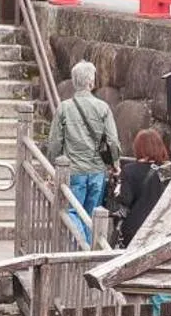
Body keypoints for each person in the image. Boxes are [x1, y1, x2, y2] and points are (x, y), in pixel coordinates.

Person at [45, 61, 120, 243]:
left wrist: (51, 168)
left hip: (74, 171)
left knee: (72, 212)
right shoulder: (103, 108)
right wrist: (115, 163)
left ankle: (82, 249)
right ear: (91, 82)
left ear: (74, 81)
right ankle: (87, 251)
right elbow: (112, 141)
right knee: (91, 214)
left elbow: (55, 142)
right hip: (97, 172)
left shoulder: (64, 108)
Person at [116, 128, 170, 244]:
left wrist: (116, 191)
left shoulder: (129, 170)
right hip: (163, 226)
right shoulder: (169, 170)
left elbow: (126, 199)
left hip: (136, 227)